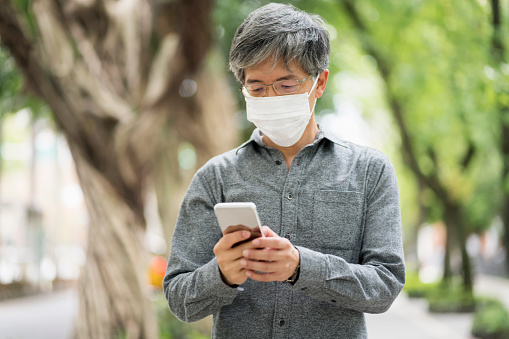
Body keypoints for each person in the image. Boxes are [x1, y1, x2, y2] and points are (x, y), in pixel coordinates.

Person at [163, 3, 405, 338]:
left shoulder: (370, 172)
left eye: (286, 85)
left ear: (319, 83)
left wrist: (302, 267)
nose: (271, 96)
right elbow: (179, 297)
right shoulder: (214, 177)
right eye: (257, 88)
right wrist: (220, 275)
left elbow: (386, 284)